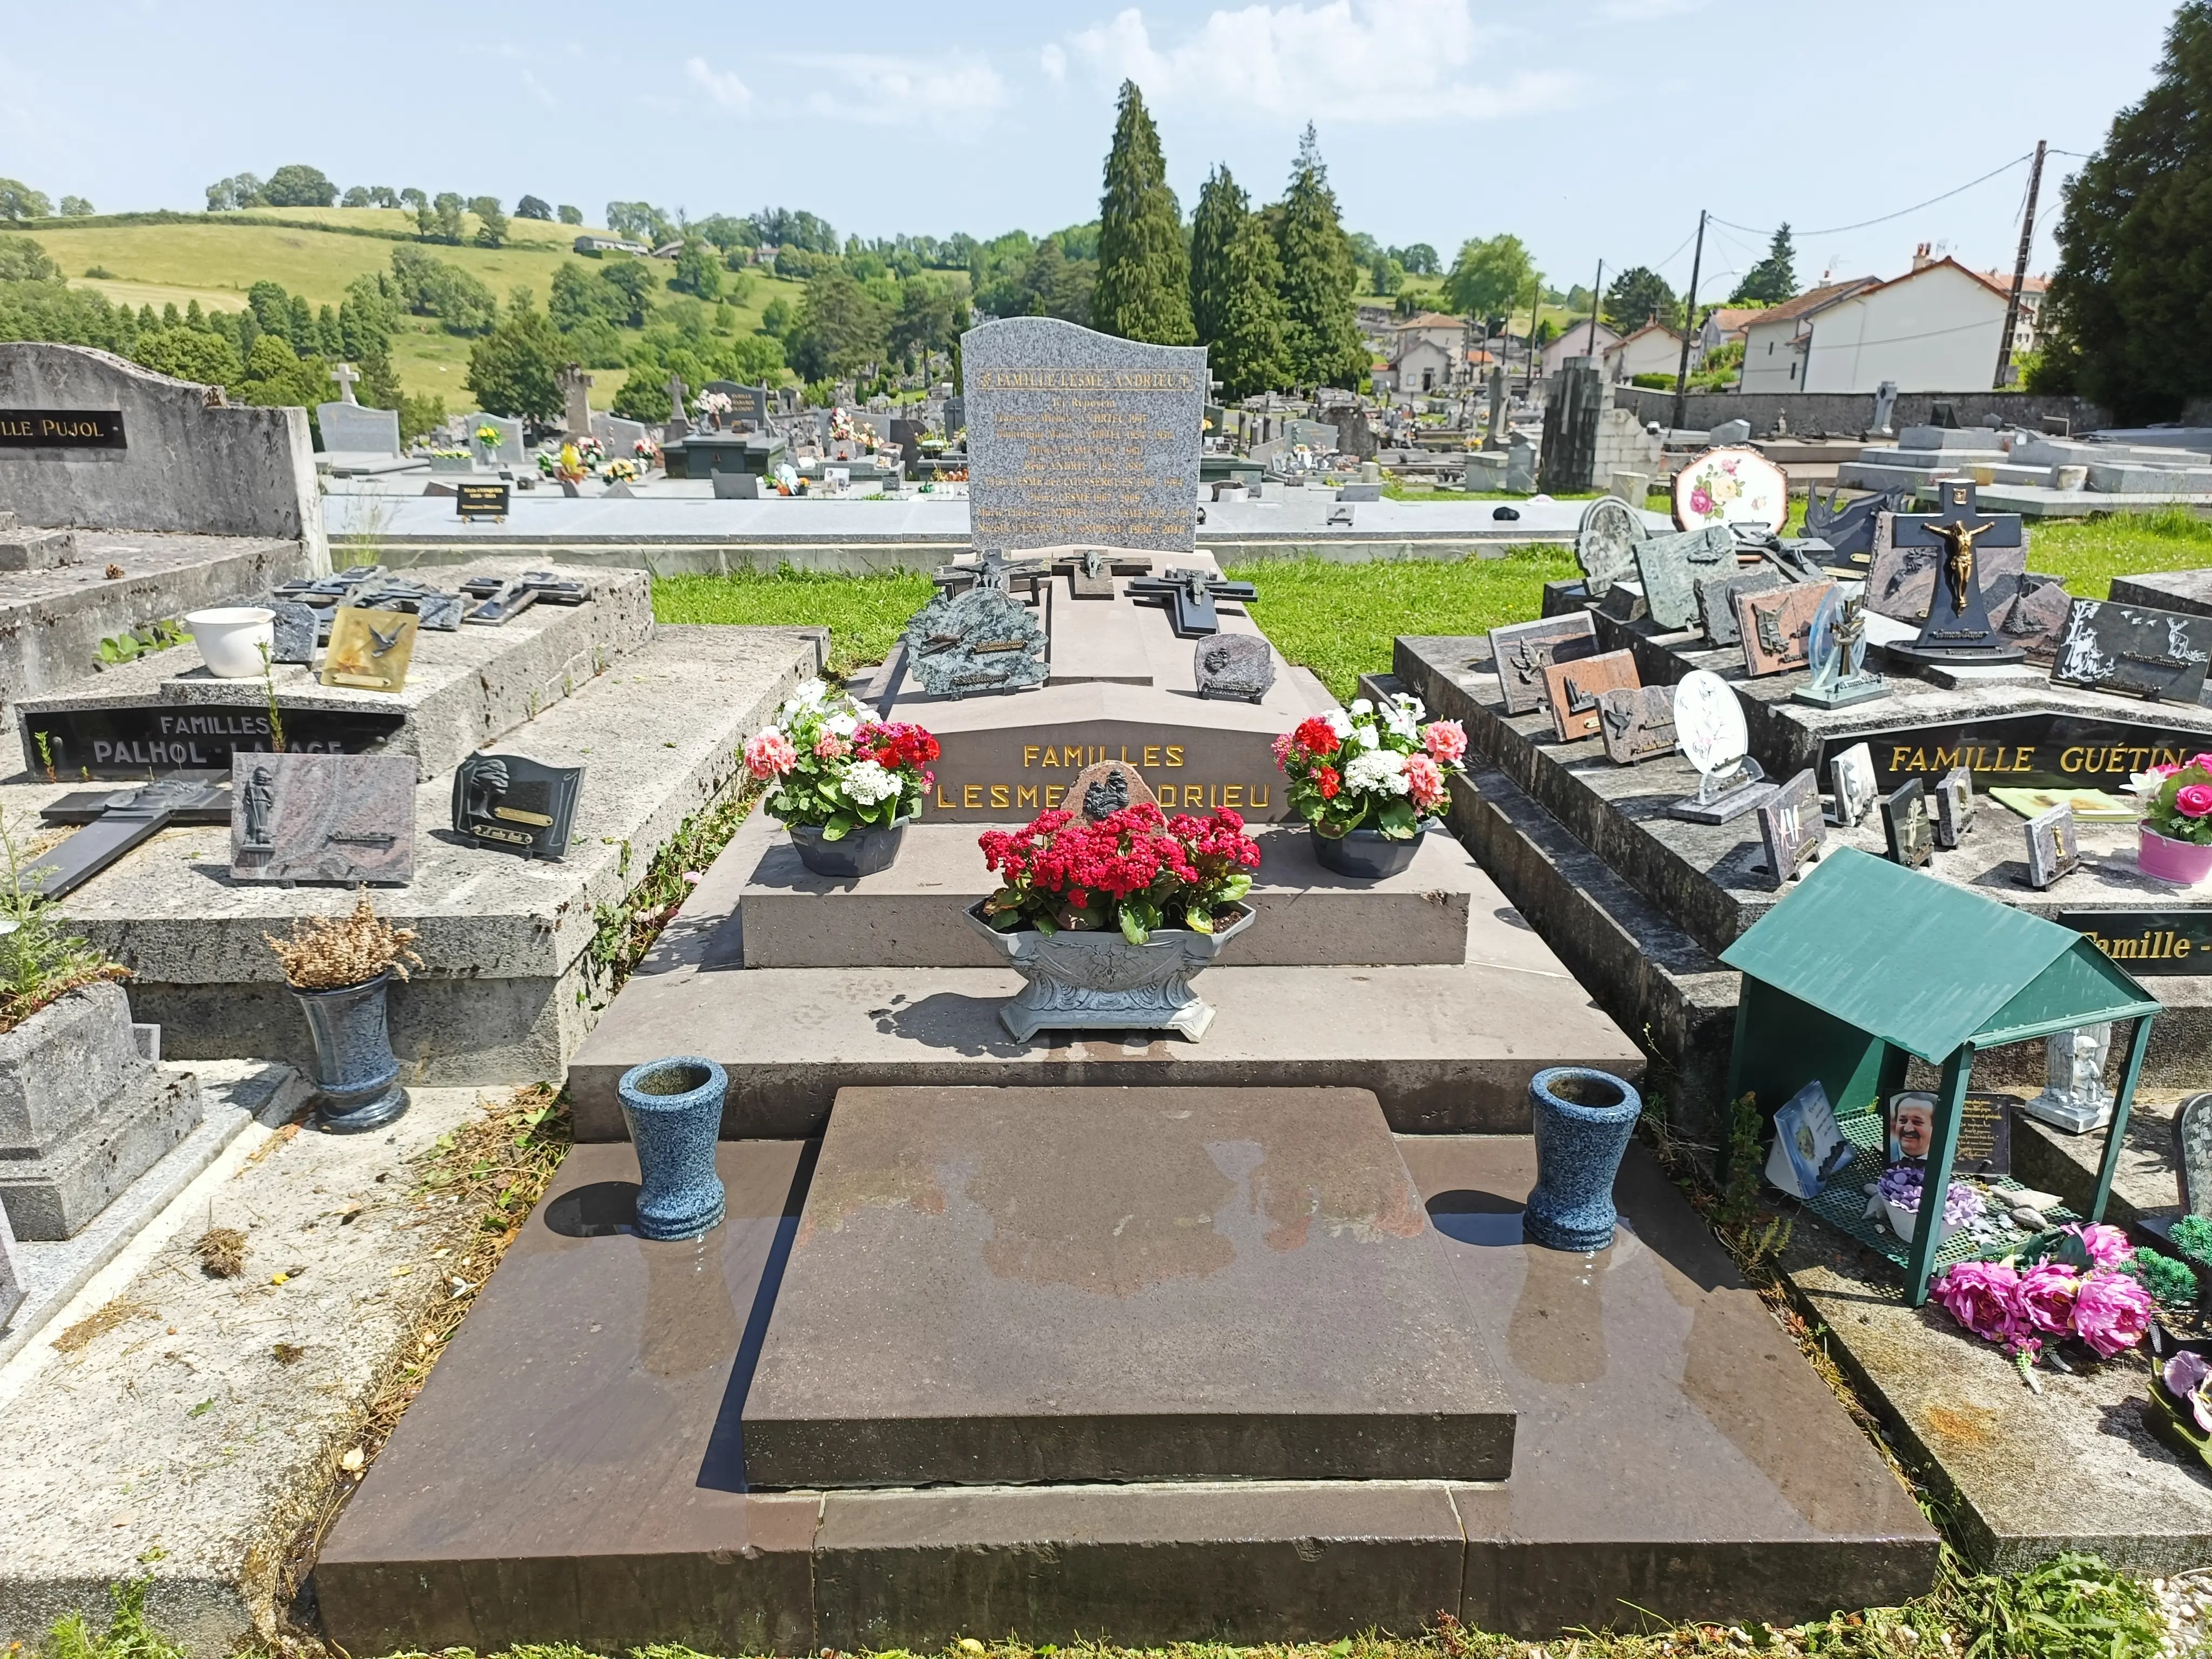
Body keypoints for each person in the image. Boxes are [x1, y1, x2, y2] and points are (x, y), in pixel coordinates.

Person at [1887, 1092, 1935, 1164]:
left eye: (1917, 1122)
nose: (1907, 1129)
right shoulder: (1881, 1155)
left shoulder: (1946, 1160)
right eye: (1903, 1120)